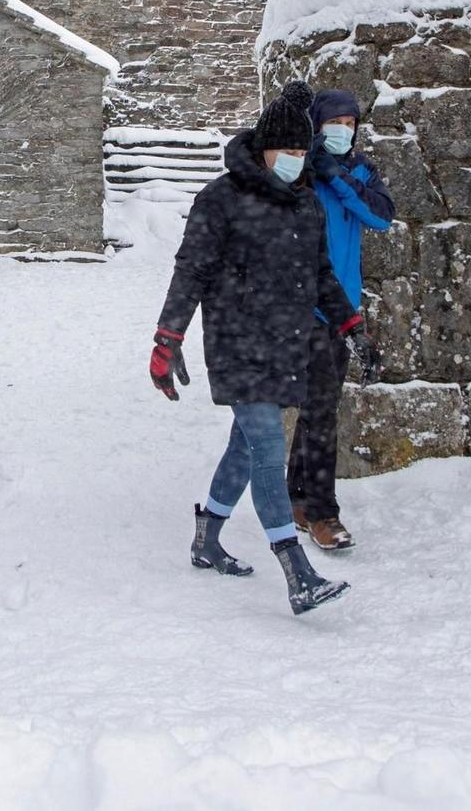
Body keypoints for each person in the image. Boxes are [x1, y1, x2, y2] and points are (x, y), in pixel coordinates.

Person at [147, 80, 378, 615]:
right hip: (236, 340)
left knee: (244, 447)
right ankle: (297, 572)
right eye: (288, 152)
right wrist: (168, 337)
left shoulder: (304, 204)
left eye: (303, 153)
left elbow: (322, 275)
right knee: (270, 449)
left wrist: (351, 325)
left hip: (286, 341)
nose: (296, 162)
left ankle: (207, 540)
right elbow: (191, 271)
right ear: (264, 148)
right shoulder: (222, 199)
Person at [288, 87, 396, 551]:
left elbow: (381, 217)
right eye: (334, 121)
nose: (343, 130)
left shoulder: (360, 170)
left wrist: (338, 177)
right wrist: (317, 169)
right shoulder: (300, 170)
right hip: (303, 304)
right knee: (322, 409)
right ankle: (323, 513)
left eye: (351, 123)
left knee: (319, 407)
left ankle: (297, 495)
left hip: (343, 308)